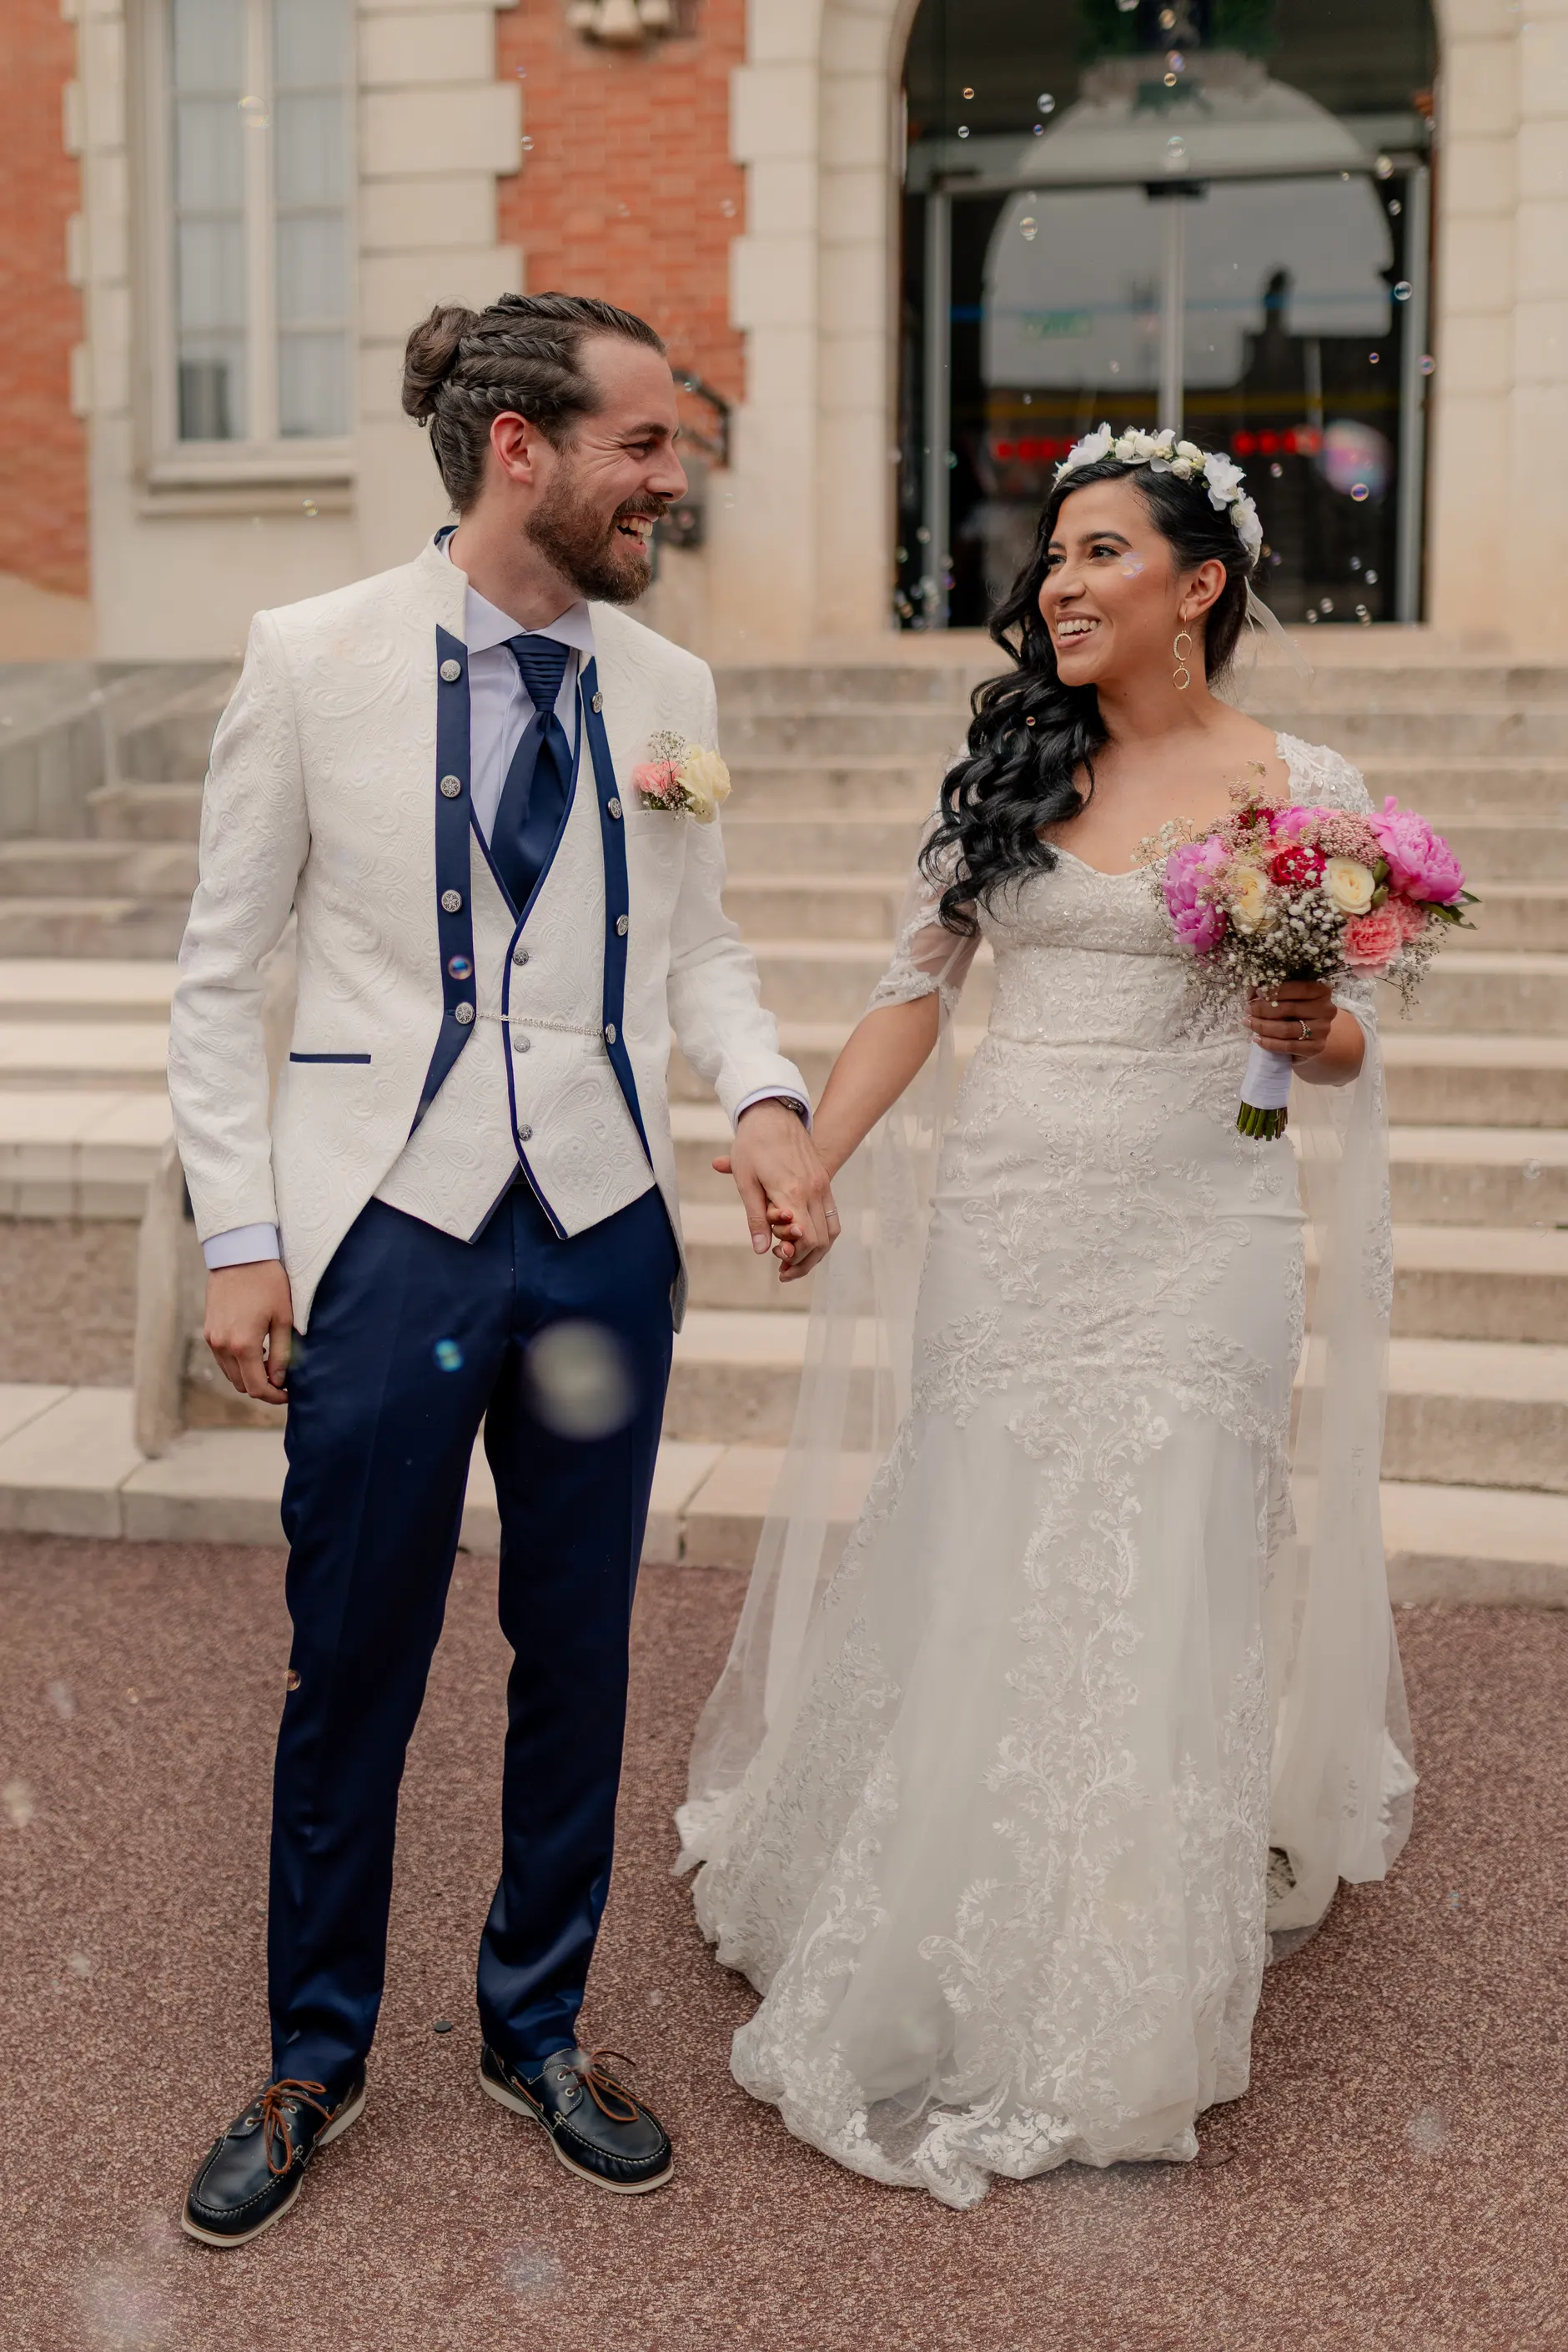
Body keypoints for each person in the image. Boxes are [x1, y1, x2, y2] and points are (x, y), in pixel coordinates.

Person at [168, 290, 838, 2245]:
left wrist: (771, 1097)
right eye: (643, 440)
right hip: (386, 1233)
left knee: (582, 1653)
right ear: (522, 446)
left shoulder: (670, 689)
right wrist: (241, 1239)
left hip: (608, 1237)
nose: (673, 473)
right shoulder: (311, 661)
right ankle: (314, 2056)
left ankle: (531, 2023)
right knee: (352, 1656)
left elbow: (697, 949)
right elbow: (222, 976)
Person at [679, 430, 1414, 2209]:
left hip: (1198, 1222)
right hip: (1012, 1222)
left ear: (1201, 584)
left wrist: (1316, 1027)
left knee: (1156, 1551)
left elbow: (1332, 1045)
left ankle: (1108, 1963)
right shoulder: (1014, 764)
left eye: (1099, 554)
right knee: (988, 1530)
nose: (1060, 585)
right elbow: (907, 995)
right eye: (1051, 557)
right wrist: (816, 1161)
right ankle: (923, 1886)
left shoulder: (1295, 789)